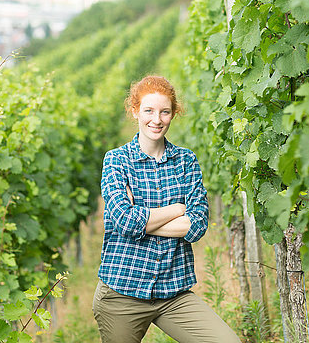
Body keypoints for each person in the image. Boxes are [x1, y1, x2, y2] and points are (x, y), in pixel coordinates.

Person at [92, 75, 240, 343]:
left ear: (174, 114)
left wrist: (143, 215)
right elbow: (125, 222)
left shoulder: (186, 160)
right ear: (135, 110)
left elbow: (197, 226)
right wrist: (177, 209)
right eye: (148, 110)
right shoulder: (116, 160)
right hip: (122, 292)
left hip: (173, 292)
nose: (156, 120)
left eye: (165, 112)